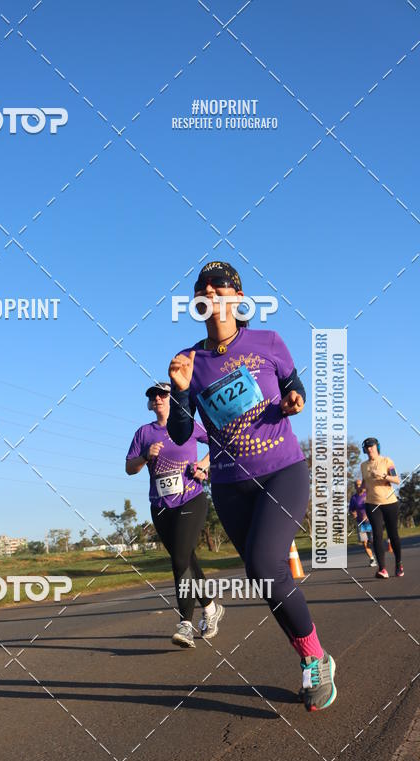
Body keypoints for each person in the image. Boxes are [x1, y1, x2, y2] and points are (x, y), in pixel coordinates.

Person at [167, 261, 336, 712]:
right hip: (229, 485)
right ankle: (311, 655)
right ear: (198, 302)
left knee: (264, 565)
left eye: (222, 288)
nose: (213, 294)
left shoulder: (268, 341)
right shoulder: (188, 360)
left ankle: (315, 659)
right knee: (265, 579)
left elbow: (292, 382)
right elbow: (183, 434)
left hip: (282, 470)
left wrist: (295, 397)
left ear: (239, 298)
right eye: (205, 289)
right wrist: (180, 390)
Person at [126, 381, 224, 647]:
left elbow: (219, 442)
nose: (157, 398)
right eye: (153, 395)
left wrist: (203, 465)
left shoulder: (188, 426)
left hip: (191, 499)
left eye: (163, 394)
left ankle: (185, 624)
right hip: (160, 507)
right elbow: (129, 468)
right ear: (150, 403)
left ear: (173, 399)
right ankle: (212, 609)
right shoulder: (143, 433)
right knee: (187, 560)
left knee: (180, 558)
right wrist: (145, 456)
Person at [360, 437, 403, 578]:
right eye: (367, 447)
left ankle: (399, 565)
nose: (369, 449)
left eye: (371, 446)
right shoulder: (363, 465)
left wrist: (383, 475)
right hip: (372, 503)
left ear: (377, 447)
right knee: (377, 535)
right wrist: (360, 489)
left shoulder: (386, 461)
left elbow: (396, 480)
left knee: (393, 534)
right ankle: (382, 569)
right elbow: (365, 483)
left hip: (390, 502)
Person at [348, 480, 377, 566]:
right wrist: (353, 513)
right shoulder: (354, 498)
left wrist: (369, 515)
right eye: (357, 485)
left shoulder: (368, 495)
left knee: (372, 541)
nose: (359, 486)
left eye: (361, 484)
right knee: (364, 543)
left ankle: (379, 556)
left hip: (370, 522)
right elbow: (351, 509)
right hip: (361, 523)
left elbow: (375, 507)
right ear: (355, 487)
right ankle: (372, 559)